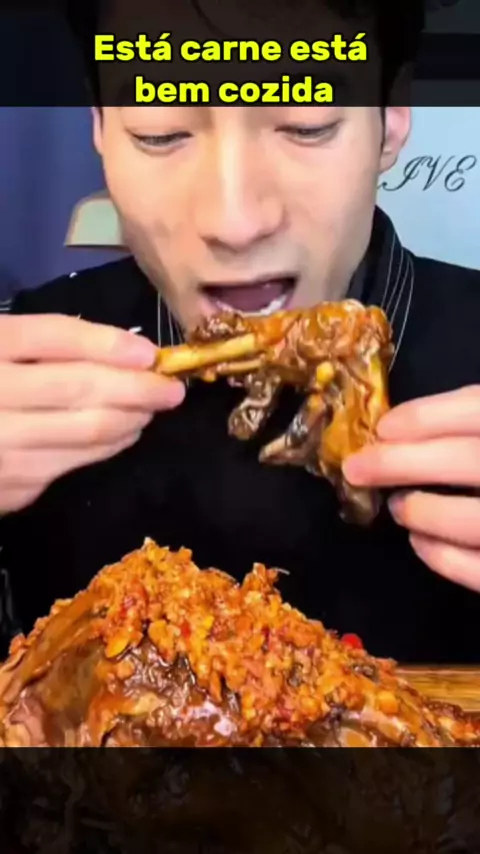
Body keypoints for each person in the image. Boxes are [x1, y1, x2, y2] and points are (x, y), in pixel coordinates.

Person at [1, 0, 480, 664]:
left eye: (307, 124)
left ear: (391, 119)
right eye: (161, 133)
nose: (235, 222)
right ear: (100, 127)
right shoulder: (25, 352)